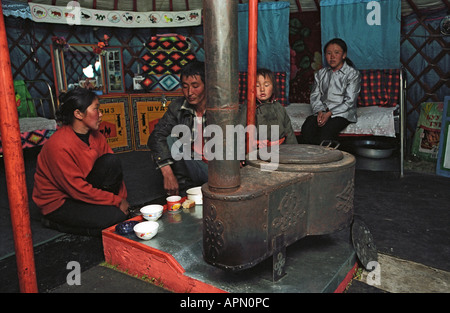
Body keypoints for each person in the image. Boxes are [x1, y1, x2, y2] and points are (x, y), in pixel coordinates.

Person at [32, 88, 129, 237]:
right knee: (115, 219)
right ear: (78, 114)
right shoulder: (58, 145)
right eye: (96, 109)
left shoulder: (96, 135)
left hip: (84, 188)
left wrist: (122, 199)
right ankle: (52, 222)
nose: (101, 114)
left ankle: (102, 210)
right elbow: (76, 189)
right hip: (60, 201)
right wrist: (115, 201)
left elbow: (115, 172)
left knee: (111, 161)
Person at [147, 60, 207, 197]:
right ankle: (182, 193)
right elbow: (156, 136)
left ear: (207, 85)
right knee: (170, 139)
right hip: (191, 165)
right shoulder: (178, 107)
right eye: (185, 87)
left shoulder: (220, 108)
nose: (189, 92)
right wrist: (167, 172)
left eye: (195, 86)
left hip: (216, 171)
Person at [299, 38, 361, 145]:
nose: (332, 57)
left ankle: (327, 159)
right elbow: (315, 96)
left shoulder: (352, 74)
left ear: (344, 55)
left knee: (326, 132)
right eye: (328, 53)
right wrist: (319, 112)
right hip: (323, 111)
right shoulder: (320, 74)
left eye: (336, 53)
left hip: (342, 113)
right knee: (307, 128)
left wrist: (329, 114)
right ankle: (310, 159)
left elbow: (349, 101)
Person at [239, 68, 298, 148]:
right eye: (257, 85)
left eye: (266, 85)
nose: (262, 89)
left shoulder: (279, 108)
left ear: (273, 88)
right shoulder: (247, 108)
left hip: (280, 151)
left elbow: (289, 133)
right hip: (256, 152)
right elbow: (239, 136)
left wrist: (293, 152)